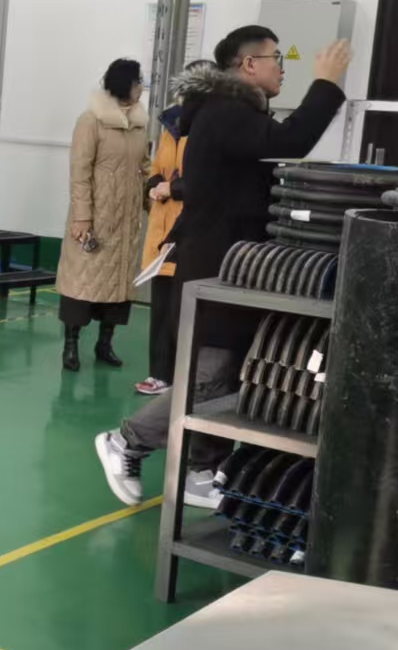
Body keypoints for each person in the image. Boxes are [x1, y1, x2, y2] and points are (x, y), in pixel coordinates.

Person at [95, 26, 351, 506]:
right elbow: (292, 141)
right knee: (210, 374)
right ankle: (127, 440)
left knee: (230, 372)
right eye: (277, 59)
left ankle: (201, 470)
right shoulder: (226, 111)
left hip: (237, 263)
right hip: (215, 264)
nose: (282, 69)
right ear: (249, 64)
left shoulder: (235, 114)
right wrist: (326, 84)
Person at [56, 59, 148, 371]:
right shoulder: (91, 121)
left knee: (118, 287)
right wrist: (82, 217)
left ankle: (105, 343)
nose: (142, 87)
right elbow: (79, 173)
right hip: (95, 220)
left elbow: (144, 166)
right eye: (138, 81)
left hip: (125, 222)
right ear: (124, 83)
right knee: (81, 284)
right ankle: (71, 345)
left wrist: (153, 197)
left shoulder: (139, 124)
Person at [135, 59, 212, 396]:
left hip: (190, 231)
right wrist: (155, 184)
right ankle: (159, 375)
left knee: (186, 311)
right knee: (162, 307)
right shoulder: (169, 124)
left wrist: (175, 189)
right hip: (161, 230)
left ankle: (186, 379)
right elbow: (157, 167)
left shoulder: (209, 129)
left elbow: (207, 180)